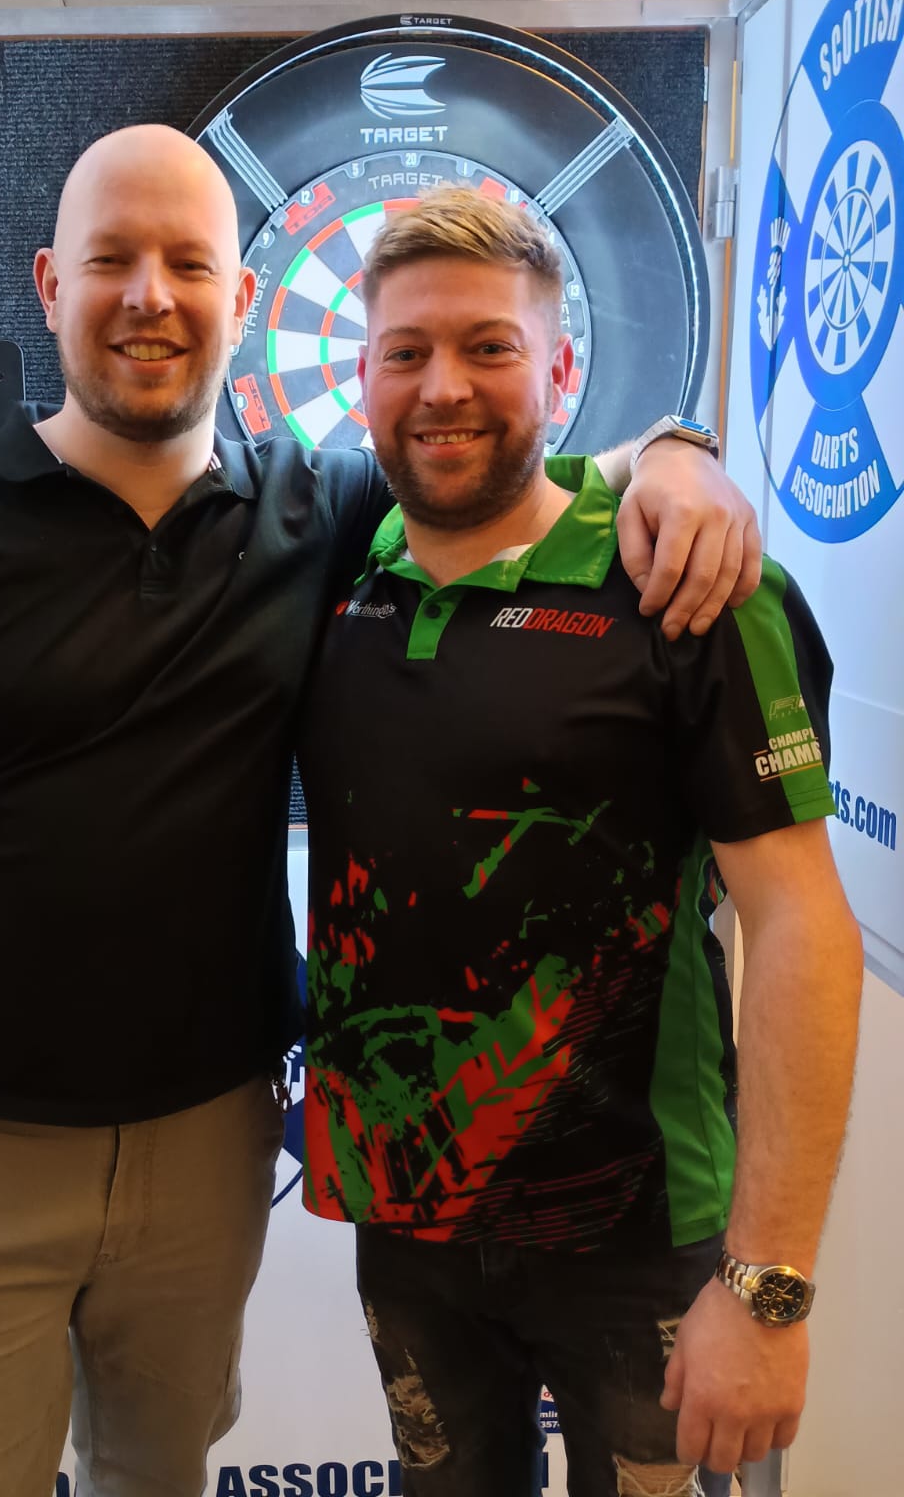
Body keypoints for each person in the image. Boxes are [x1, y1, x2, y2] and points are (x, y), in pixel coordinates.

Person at [0, 126, 763, 1497]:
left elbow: (511, 466)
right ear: (51, 285)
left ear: (242, 300)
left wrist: (677, 452)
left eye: (188, 263)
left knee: (158, 1475)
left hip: (212, 1139)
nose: (150, 295)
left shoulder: (328, 506)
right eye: (112, 260)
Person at [296, 186, 863, 1497]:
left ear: (559, 371)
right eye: (406, 351)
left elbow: (801, 929)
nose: (444, 386)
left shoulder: (690, 589)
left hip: (639, 1236)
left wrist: (769, 1287)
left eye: (489, 346)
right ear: (364, 377)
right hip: (408, 1227)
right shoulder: (347, 576)